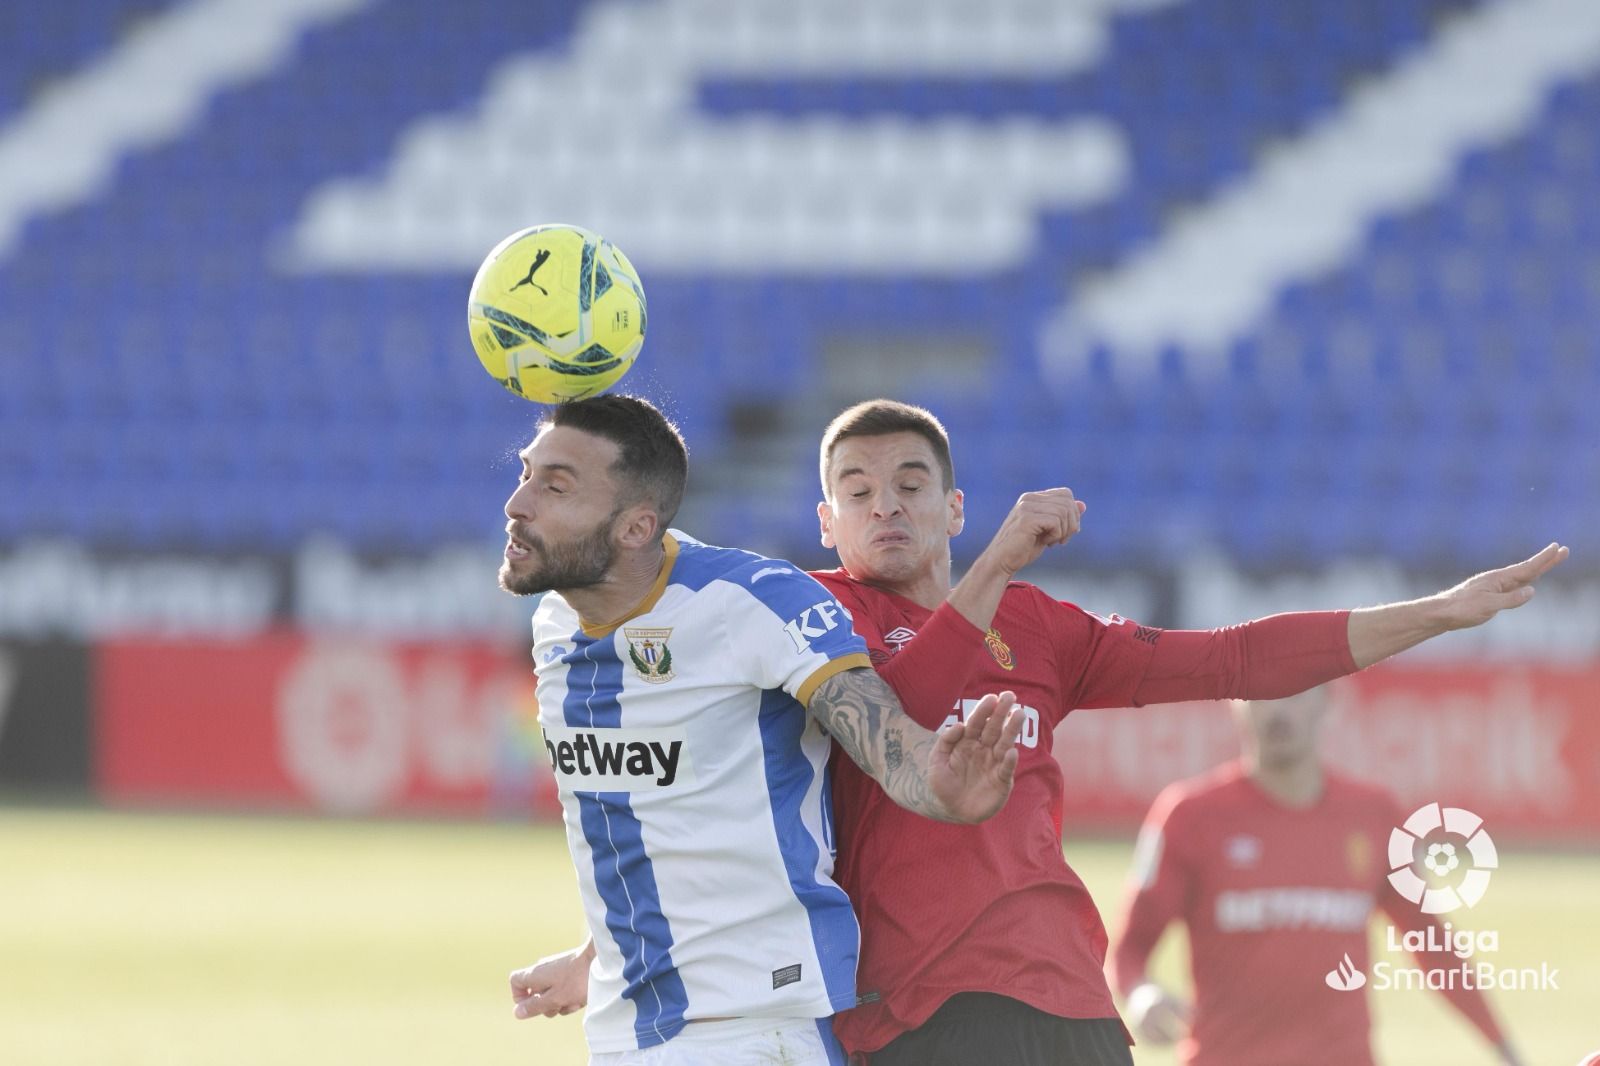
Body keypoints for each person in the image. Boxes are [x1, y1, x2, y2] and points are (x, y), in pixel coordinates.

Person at [803, 399, 1566, 1065]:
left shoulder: (1037, 626)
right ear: (827, 522)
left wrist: (1438, 612)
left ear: (955, 507)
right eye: (858, 492)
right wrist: (995, 566)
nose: (885, 508)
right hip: (927, 1002)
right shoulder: (816, 617)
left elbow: (1234, 658)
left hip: (1071, 997)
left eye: (909, 486)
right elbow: (897, 725)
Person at [497, 395, 1024, 1066]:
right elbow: (661, 818)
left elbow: (878, 729)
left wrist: (938, 781)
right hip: (623, 1028)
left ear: (635, 528)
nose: (518, 502)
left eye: (555, 486)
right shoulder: (556, 623)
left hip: (753, 1029)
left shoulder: (753, 601)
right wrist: (597, 956)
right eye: (526, 473)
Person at [1108, 685, 1525, 1066]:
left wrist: (1503, 1047)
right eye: (1261, 694)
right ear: (1234, 704)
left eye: (1296, 693)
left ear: (1327, 699)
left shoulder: (1375, 815)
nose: (1278, 710)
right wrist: (1141, 993)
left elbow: (1432, 944)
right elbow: (1130, 946)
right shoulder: (1189, 815)